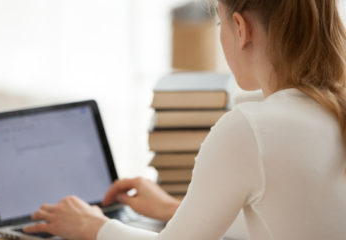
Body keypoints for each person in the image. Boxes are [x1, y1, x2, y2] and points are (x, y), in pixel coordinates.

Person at [24, 0, 346, 239]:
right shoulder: (332, 110)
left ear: (241, 28)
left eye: (220, 24)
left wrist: (94, 226)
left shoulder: (250, 128)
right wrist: (173, 209)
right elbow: (289, 220)